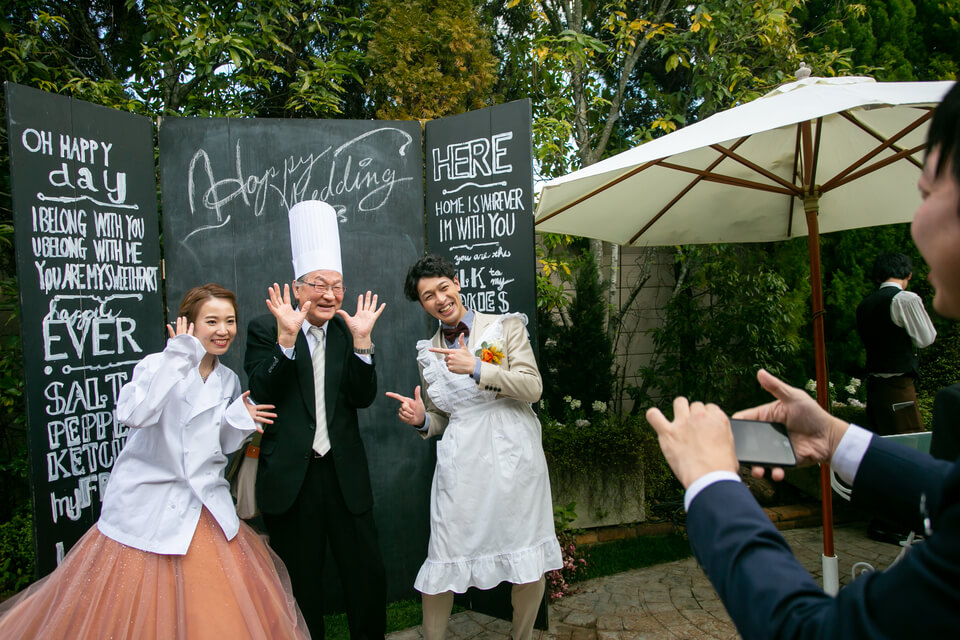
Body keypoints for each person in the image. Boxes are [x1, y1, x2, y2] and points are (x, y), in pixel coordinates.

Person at [645, 80, 960, 639]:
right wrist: (836, 437)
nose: (916, 223)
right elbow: (952, 498)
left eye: (929, 192)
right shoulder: (901, 299)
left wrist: (711, 484)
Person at [0, 284, 309, 639]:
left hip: (205, 507)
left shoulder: (228, 379)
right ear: (188, 323)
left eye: (230, 321)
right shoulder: (157, 364)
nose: (223, 330)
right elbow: (135, 413)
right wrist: (177, 359)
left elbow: (215, 448)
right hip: (148, 507)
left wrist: (237, 421)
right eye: (212, 321)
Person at [385, 254, 562, 640]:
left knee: (525, 550)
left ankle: (521, 635)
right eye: (428, 295)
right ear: (422, 303)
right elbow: (442, 415)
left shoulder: (505, 326)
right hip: (462, 462)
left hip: (514, 454)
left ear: (457, 282)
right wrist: (422, 420)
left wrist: (478, 368)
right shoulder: (427, 353)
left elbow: (532, 388)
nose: (439, 299)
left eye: (443, 287)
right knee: (445, 553)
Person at [244, 200, 387, 639]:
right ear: (297, 286)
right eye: (319, 284)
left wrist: (364, 345)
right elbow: (262, 391)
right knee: (301, 584)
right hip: (293, 477)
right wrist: (287, 340)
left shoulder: (348, 331)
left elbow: (363, 398)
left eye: (337, 286)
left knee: (365, 577)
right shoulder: (266, 328)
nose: (329, 295)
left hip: (344, 474)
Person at [856, 252, 936, 434]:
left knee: (885, 448)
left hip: (874, 390)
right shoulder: (906, 299)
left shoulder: (864, 304)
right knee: (910, 445)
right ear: (908, 275)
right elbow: (926, 339)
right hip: (899, 388)